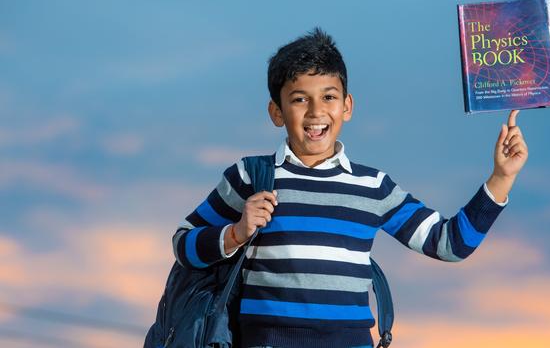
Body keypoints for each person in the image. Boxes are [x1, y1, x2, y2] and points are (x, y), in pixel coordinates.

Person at [172, 27, 528, 348]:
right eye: (299, 99)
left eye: (328, 97)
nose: (315, 111)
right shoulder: (250, 176)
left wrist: (501, 178)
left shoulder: (373, 187)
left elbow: (449, 243)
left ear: (347, 106)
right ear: (276, 112)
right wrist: (235, 233)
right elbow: (183, 243)